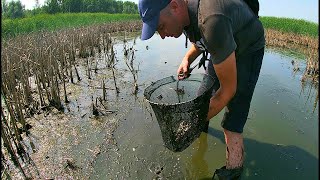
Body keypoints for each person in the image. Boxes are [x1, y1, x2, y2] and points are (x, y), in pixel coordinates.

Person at [138, 0, 265, 179]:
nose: (162, 35)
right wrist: (187, 59)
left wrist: (192, 122)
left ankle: (233, 169)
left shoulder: (212, 19)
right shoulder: (190, 15)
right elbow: (202, 38)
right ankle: (201, 132)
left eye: (161, 27)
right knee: (203, 96)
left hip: (247, 48)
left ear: (174, 6)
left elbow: (228, 91)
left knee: (234, 113)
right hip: (221, 42)